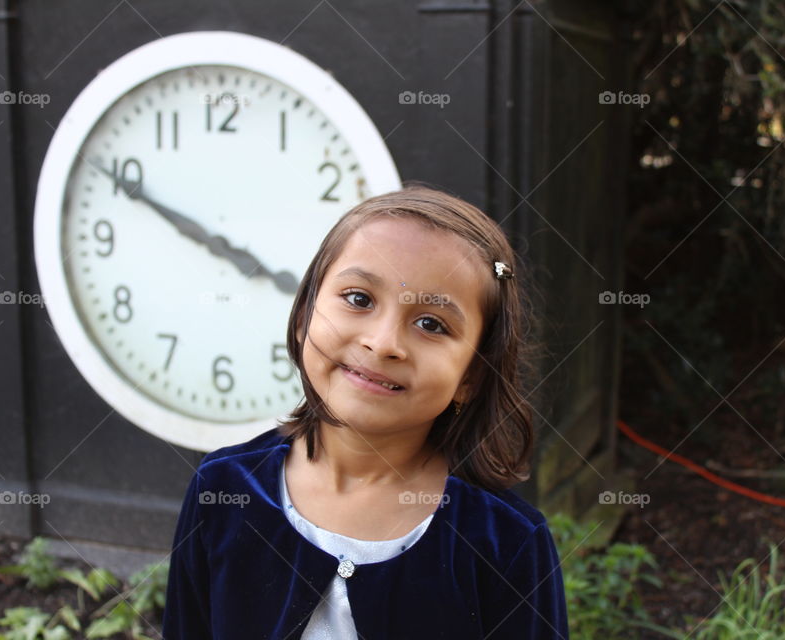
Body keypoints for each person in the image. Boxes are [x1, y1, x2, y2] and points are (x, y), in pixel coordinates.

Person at [162, 184, 570, 639]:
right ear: (303, 318)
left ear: (471, 376)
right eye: (358, 299)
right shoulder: (222, 490)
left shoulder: (506, 541)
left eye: (431, 324)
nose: (382, 342)